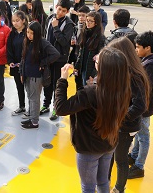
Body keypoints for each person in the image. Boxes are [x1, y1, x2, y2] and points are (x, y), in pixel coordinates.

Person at [55, 47, 131, 193]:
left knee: (88, 187)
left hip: (89, 148)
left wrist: (62, 80)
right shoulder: (123, 89)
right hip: (110, 143)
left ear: (104, 68)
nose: (95, 59)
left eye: (98, 59)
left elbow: (61, 108)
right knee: (103, 182)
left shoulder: (90, 93)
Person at [107, 37, 150, 193]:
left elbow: (140, 105)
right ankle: (105, 183)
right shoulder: (124, 71)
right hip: (118, 123)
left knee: (120, 158)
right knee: (110, 155)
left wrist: (120, 119)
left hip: (126, 126)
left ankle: (119, 188)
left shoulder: (135, 75)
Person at [128, 30, 153, 179]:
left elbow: (143, 88)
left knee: (143, 135)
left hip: (144, 107)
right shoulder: (146, 61)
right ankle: (134, 155)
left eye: (138, 47)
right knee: (139, 132)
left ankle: (139, 166)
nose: (136, 50)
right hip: (141, 106)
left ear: (147, 48)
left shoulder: (151, 66)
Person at [19, 21, 60, 129]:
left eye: (32, 33)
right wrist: (21, 72)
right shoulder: (27, 42)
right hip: (27, 74)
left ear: (37, 33)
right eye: (27, 32)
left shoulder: (42, 42)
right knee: (30, 96)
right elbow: (23, 58)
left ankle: (34, 122)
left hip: (36, 76)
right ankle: (32, 117)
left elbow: (55, 54)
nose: (29, 35)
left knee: (34, 98)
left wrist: (43, 62)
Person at [41, 0, 74, 121]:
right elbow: (45, 36)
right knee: (47, 82)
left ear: (67, 12)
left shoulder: (68, 24)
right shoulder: (50, 18)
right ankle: (45, 104)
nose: (60, 13)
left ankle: (56, 107)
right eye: (59, 9)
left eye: (63, 11)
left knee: (56, 83)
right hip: (47, 57)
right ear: (56, 7)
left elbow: (65, 42)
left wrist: (56, 28)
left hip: (59, 58)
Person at [73, 11, 105, 89]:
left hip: (90, 70)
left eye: (91, 21)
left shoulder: (100, 38)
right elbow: (81, 52)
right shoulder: (84, 33)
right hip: (82, 68)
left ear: (96, 23)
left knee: (88, 93)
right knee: (79, 90)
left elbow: (100, 57)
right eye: (87, 20)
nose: (88, 23)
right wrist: (76, 66)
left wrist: (93, 74)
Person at [7, 11, 27, 116]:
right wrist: (10, 61)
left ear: (23, 20)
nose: (15, 23)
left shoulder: (28, 33)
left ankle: (33, 108)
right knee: (19, 86)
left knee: (29, 88)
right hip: (16, 66)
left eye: (17, 20)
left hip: (27, 66)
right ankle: (22, 106)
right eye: (13, 21)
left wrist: (23, 63)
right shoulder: (12, 34)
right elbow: (9, 49)